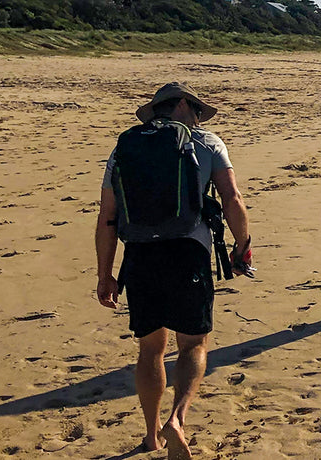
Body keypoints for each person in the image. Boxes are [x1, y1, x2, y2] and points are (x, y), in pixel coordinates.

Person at [95, 83, 251, 459]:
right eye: (195, 109)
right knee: (193, 343)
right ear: (183, 105)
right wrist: (242, 244)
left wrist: (105, 274)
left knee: (150, 348)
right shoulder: (208, 142)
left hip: (140, 255)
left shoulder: (125, 147)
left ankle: (151, 436)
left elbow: (108, 216)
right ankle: (178, 418)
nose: (197, 118)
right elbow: (232, 198)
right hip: (188, 252)